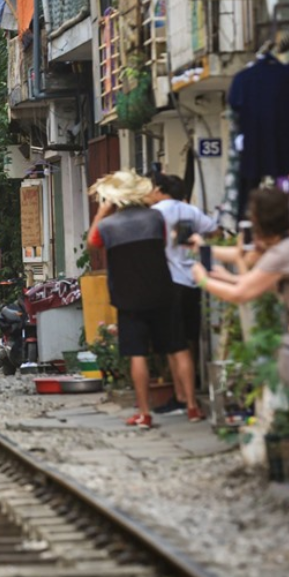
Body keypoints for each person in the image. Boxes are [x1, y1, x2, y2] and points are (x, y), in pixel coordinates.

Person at [192, 188, 289, 495]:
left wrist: (205, 281)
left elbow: (243, 294)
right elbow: (251, 284)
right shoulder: (287, 248)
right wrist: (221, 276)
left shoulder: (284, 252)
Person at [87, 171, 192, 429]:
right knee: (178, 348)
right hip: (162, 291)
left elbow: (92, 242)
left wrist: (103, 211)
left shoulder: (108, 226)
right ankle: (193, 407)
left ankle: (144, 413)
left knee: (137, 354)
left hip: (128, 297)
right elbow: (164, 241)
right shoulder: (155, 217)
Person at [146, 173, 214, 419]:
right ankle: (189, 389)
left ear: (160, 190)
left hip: (169, 281)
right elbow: (214, 230)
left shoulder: (156, 213)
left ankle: (183, 398)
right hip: (193, 280)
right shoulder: (191, 211)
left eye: (152, 188)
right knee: (189, 339)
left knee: (174, 345)